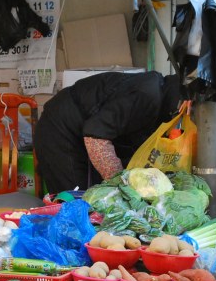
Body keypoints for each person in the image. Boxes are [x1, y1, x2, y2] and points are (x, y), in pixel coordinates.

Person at [34, 71, 182, 194]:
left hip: (81, 131)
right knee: (78, 201)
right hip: (61, 129)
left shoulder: (163, 98)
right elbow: (96, 135)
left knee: (94, 201)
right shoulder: (148, 95)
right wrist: (120, 184)